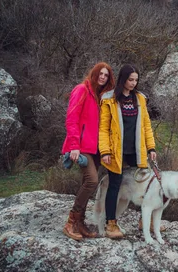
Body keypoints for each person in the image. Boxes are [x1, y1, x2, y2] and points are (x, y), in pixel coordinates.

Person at [98, 64, 157, 239]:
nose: (133, 83)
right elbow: (103, 128)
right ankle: (111, 224)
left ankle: (145, 220)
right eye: (130, 80)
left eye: (136, 80)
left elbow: (146, 125)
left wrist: (151, 147)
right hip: (116, 151)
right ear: (123, 79)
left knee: (145, 183)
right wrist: (105, 151)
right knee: (115, 185)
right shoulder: (109, 99)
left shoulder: (140, 99)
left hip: (136, 151)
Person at [61, 62, 115, 241]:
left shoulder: (102, 96)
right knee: (92, 180)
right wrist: (74, 145)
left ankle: (80, 223)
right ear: (94, 73)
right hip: (82, 147)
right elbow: (71, 118)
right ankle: (71, 221)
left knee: (87, 181)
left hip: (96, 148)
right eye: (101, 73)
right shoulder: (82, 90)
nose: (103, 77)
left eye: (106, 75)